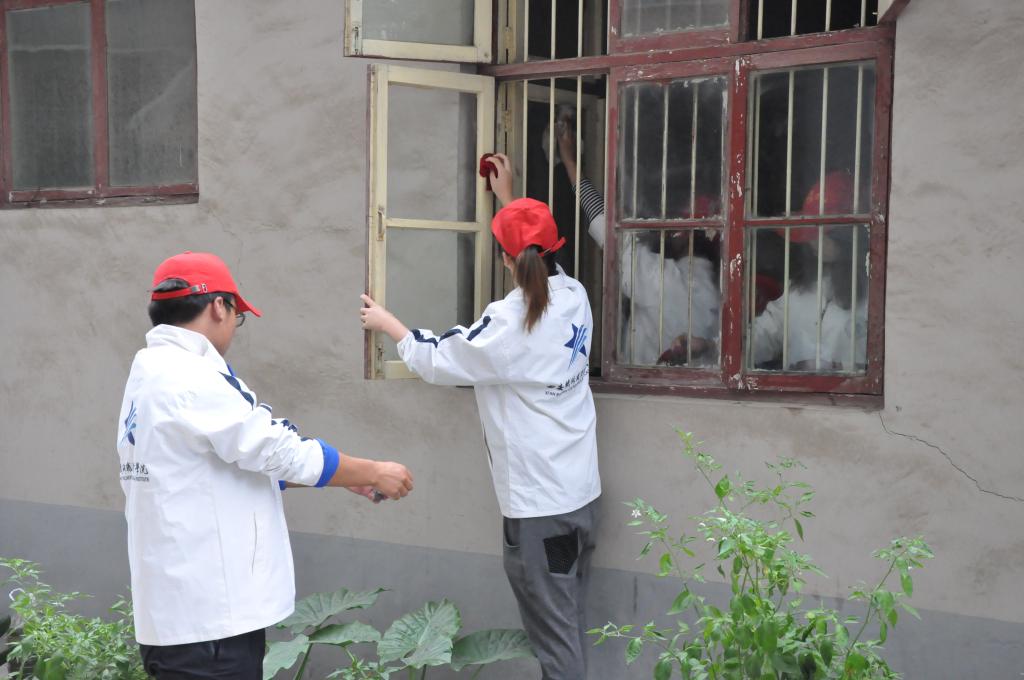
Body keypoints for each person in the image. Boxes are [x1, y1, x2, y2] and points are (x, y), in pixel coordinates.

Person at [117, 251, 413, 679]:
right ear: (219, 307)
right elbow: (276, 449)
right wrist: (372, 471)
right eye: (237, 316)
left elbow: (226, 462)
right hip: (211, 625)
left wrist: (340, 478)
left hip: (181, 614)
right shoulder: (191, 377)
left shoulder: (150, 371)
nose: (233, 328)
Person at [359, 181, 601, 680]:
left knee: (556, 645)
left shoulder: (511, 322)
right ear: (556, 248)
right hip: (579, 497)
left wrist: (388, 323)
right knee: (567, 624)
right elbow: (532, 254)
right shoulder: (576, 296)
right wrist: (512, 202)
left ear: (505, 259)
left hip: (540, 510)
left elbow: (439, 359)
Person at [553, 118, 722, 366]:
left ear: (683, 235)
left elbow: (605, 228)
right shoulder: (718, 292)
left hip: (645, 379)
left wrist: (569, 160)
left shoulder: (665, 281)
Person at [749, 171, 869, 371]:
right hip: (796, 391)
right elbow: (766, 334)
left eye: (820, 232)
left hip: (850, 392)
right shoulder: (800, 288)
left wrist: (837, 368)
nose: (812, 241)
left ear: (847, 235)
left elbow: (888, 365)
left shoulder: (875, 293)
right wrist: (715, 347)